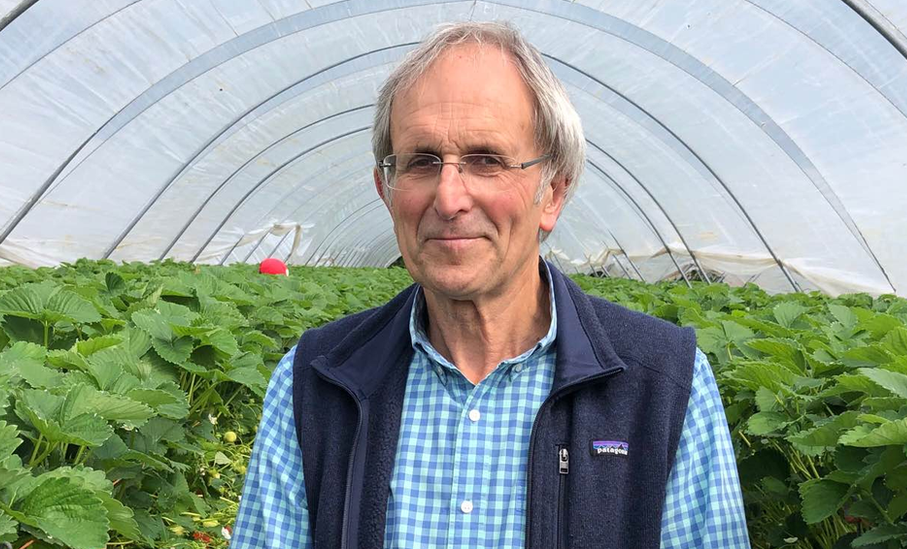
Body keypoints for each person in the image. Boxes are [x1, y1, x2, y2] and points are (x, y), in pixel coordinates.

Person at [231, 21, 750, 549]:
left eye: (486, 160)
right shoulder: (314, 383)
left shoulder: (664, 385)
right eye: (422, 162)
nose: (449, 198)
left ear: (552, 193)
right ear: (386, 190)